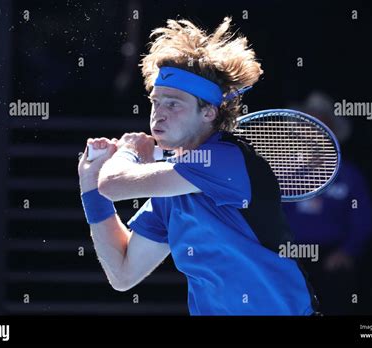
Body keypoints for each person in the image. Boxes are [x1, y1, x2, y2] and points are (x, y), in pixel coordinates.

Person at [78, 17, 318, 315]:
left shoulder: (225, 159)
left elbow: (114, 185)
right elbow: (123, 274)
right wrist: (89, 186)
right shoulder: (169, 192)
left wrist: (129, 152)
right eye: (156, 102)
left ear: (208, 112)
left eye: (174, 104)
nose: (158, 115)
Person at [283, 91, 372, 314]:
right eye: (308, 124)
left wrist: (348, 251)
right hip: (290, 259)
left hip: (332, 260)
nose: (314, 131)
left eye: (321, 125)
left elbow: (364, 219)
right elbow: (265, 218)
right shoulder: (281, 172)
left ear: (332, 130)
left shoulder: (349, 174)